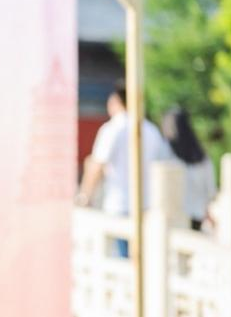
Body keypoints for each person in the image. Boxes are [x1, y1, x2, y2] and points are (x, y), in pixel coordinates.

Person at [77, 80, 172, 256]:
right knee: (142, 257)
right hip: (147, 204)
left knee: (122, 258)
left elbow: (97, 165)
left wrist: (85, 196)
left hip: (119, 204)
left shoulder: (113, 128)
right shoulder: (151, 130)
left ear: (115, 101)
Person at [163, 106, 217, 231]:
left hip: (174, 216)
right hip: (197, 215)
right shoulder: (201, 155)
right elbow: (210, 189)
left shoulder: (166, 152)